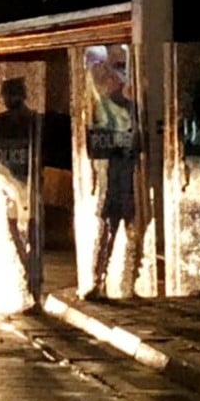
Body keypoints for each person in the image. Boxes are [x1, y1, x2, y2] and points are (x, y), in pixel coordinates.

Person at [84, 47, 138, 301]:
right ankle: (101, 281)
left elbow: (137, 142)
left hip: (127, 178)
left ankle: (130, 281)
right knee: (110, 229)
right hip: (117, 177)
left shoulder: (131, 108)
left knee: (127, 229)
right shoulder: (105, 107)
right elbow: (95, 144)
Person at [0, 77, 39, 301]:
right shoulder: (2, 121)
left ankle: (32, 274)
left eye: (10, 95)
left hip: (28, 183)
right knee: (15, 228)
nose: (7, 100)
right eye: (6, 95)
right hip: (11, 184)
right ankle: (29, 271)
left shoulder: (32, 121)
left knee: (30, 230)